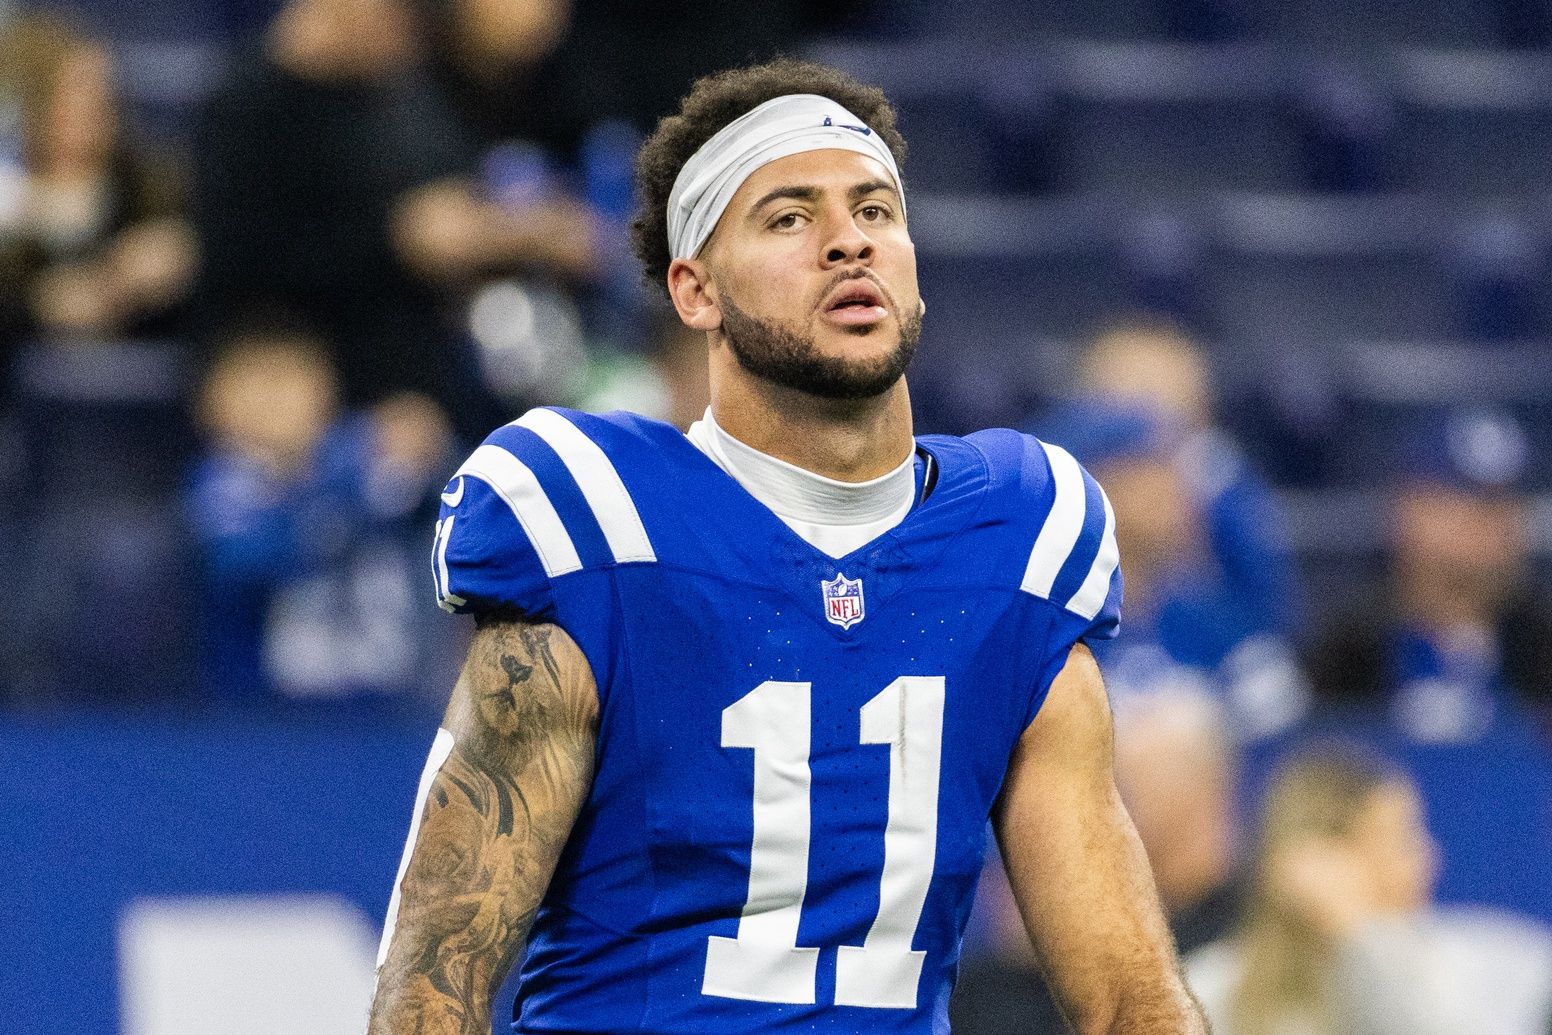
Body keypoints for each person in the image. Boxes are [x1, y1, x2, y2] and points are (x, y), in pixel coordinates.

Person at [368, 59, 1206, 1034]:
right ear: (695, 291)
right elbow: (438, 982)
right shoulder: (602, 522)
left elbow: (1125, 997)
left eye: (875, 211)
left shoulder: (1013, 535)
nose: (848, 242)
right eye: (788, 218)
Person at [1187, 744, 1552, 1034]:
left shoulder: (1503, 966)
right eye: (1399, 845)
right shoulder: (1203, 991)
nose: (1427, 861)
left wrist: (1360, 937)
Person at [187, 323, 457, 708]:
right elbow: (243, 561)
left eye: (288, 378)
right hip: (260, 715)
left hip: (395, 705)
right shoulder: (218, 483)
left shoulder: (356, 449)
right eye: (252, 378)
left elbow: (442, 484)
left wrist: (427, 445)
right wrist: (347, 502)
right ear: (210, 400)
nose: (271, 398)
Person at [0, 13, 195, 359]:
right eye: (69, 98)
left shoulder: (150, 184)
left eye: (103, 98)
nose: (92, 114)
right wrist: (33, 303)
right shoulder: (9, 190)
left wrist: (180, 254)